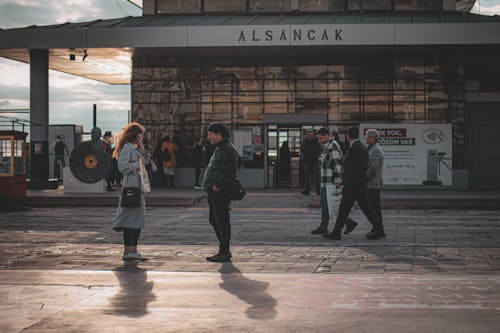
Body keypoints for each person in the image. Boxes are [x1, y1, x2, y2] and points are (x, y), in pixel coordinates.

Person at [323, 126, 385, 241]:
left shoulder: (355, 148)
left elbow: (352, 168)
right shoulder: (361, 147)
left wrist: (345, 179)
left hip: (353, 184)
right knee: (359, 208)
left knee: (347, 208)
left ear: (348, 136)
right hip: (358, 184)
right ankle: (379, 229)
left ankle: (337, 232)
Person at [112, 122, 149, 261]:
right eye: (142, 135)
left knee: (132, 220)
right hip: (132, 187)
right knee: (134, 221)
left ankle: (130, 251)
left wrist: (142, 147)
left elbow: (147, 161)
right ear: (137, 135)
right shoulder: (127, 148)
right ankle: (131, 250)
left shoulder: (134, 149)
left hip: (137, 187)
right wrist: (137, 165)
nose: (143, 137)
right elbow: (122, 167)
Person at [202, 123, 239, 262]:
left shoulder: (227, 149)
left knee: (222, 221)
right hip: (213, 191)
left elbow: (231, 171)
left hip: (220, 191)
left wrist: (217, 186)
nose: (208, 137)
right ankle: (224, 249)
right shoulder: (220, 148)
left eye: (210, 133)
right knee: (214, 219)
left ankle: (224, 251)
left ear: (219, 134)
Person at [311, 127, 343, 235]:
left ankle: (348, 222)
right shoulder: (327, 146)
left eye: (320, 138)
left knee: (330, 206)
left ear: (326, 135)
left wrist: (338, 180)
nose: (319, 141)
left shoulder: (332, 146)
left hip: (331, 182)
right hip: (325, 182)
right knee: (326, 205)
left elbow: (337, 164)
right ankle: (323, 226)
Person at [300, 128, 321, 195]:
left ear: (313, 133)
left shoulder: (316, 141)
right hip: (307, 161)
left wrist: (317, 157)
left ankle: (318, 190)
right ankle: (307, 190)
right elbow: (301, 151)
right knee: (307, 177)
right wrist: (303, 157)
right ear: (306, 134)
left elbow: (320, 150)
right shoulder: (304, 142)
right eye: (308, 132)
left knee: (317, 176)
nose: (309, 134)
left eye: (310, 132)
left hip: (315, 161)